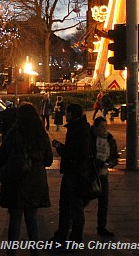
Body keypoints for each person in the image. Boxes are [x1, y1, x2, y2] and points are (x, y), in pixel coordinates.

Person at [0, 103, 52, 255]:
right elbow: (48, 160)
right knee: (32, 218)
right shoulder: (41, 134)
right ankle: (35, 251)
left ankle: (12, 252)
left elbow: (1, 155)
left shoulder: (14, 133)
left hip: (17, 179)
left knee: (15, 219)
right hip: (36, 179)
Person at [51, 103, 91, 246]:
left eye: (67, 112)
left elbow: (75, 153)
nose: (65, 115)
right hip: (75, 171)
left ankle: (73, 237)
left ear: (72, 114)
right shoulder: (82, 127)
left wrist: (60, 147)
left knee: (72, 207)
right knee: (69, 206)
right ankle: (64, 235)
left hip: (74, 172)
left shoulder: (77, 130)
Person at [90, 116, 119, 237]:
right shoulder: (90, 138)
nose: (104, 129)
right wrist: (101, 163)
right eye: (101, 127)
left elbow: (114, 156)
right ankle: (73, 223)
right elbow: (89, 156)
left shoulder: (109, 139)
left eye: (105, 126)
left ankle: (101, 227)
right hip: (90, 174)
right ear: (95, 127)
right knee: (84, 199)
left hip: (103, 174)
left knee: (104, 201)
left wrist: (111, 163)